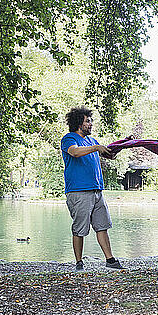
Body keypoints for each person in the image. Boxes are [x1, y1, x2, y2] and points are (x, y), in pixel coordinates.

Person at [61, 106, 124, 271]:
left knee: (102, 226)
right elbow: (74, 152)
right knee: (80, 229)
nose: (90, 124)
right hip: (78, 192)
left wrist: (124, 144)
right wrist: (96, 148)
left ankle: (110, 261)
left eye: (91, 121)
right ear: (78, 123)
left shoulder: (92, 141)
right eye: (87, 121)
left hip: (97, 191)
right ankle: (79, 262)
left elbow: (109, 153)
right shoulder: (69, 139)